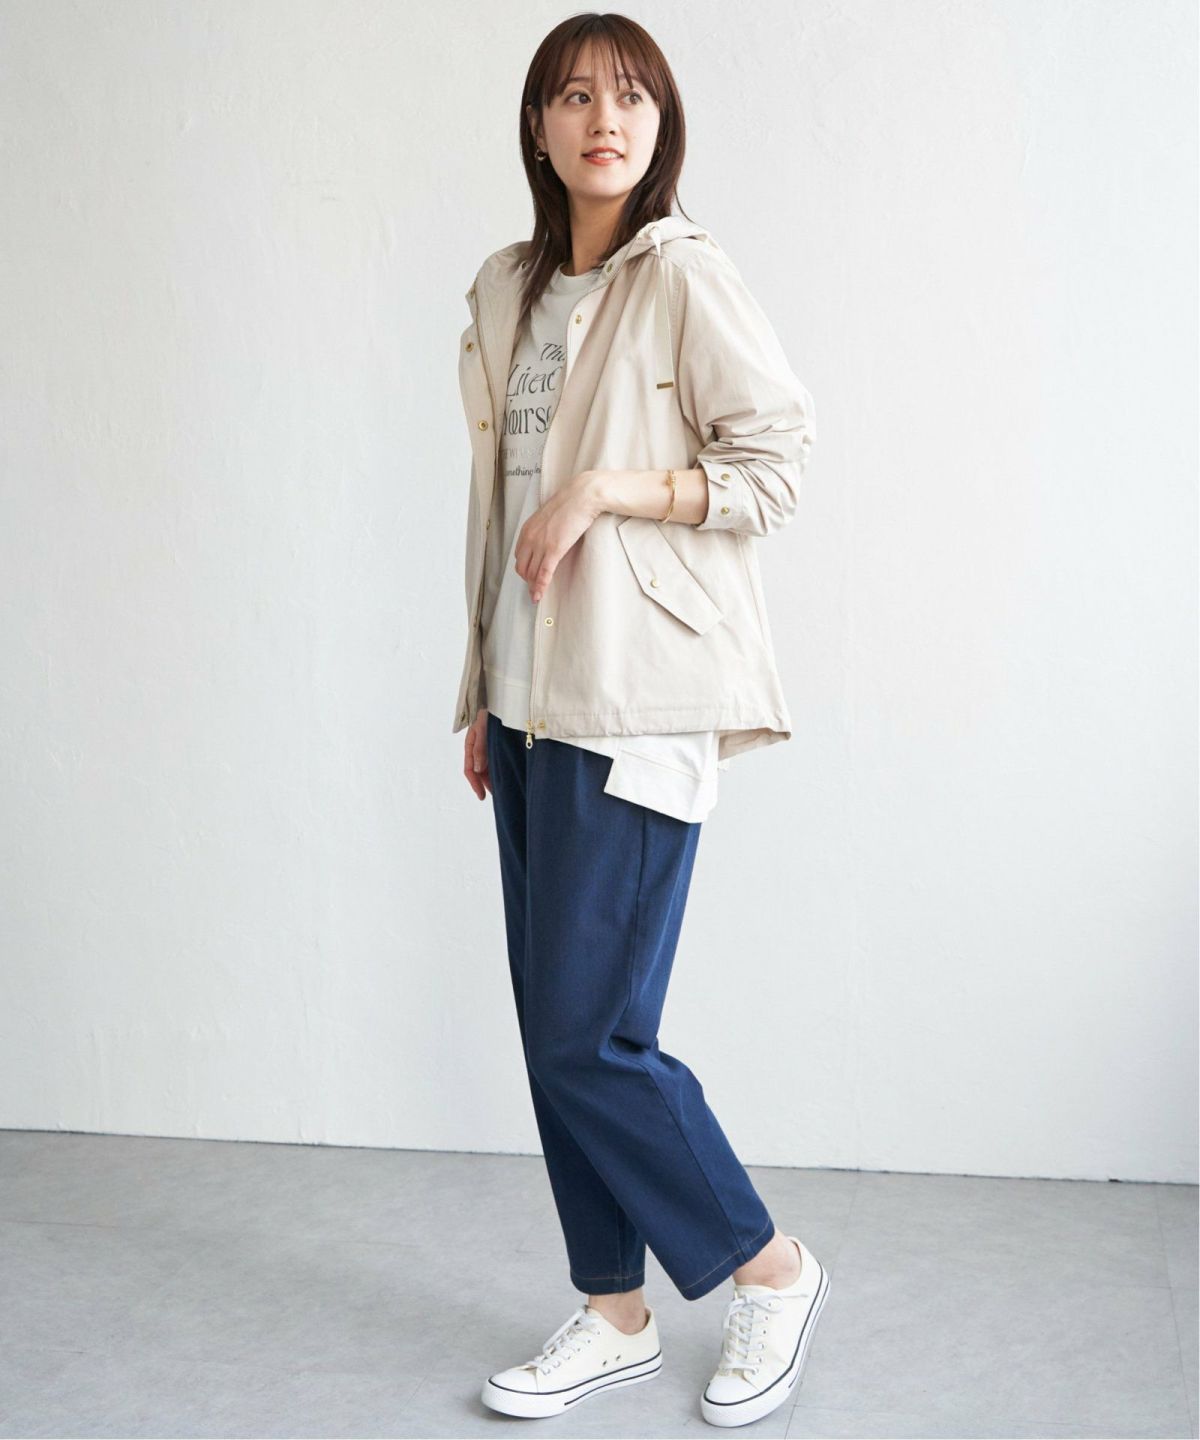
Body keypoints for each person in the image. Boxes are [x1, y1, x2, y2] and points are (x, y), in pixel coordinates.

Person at [452, 13, 830, 1429]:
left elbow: (776, 462)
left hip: (638, 702)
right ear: (538, 127)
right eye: (572, 96)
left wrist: (611, 489)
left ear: (660, 124)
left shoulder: (685, 276)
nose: (602, 119)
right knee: (556, 1029)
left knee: (588, 1034)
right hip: (527, 702)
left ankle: (769, 1266)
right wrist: (481, 693)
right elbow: (498, 507)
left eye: (628, 96)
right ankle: (613, 1309)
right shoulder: (509, 289)